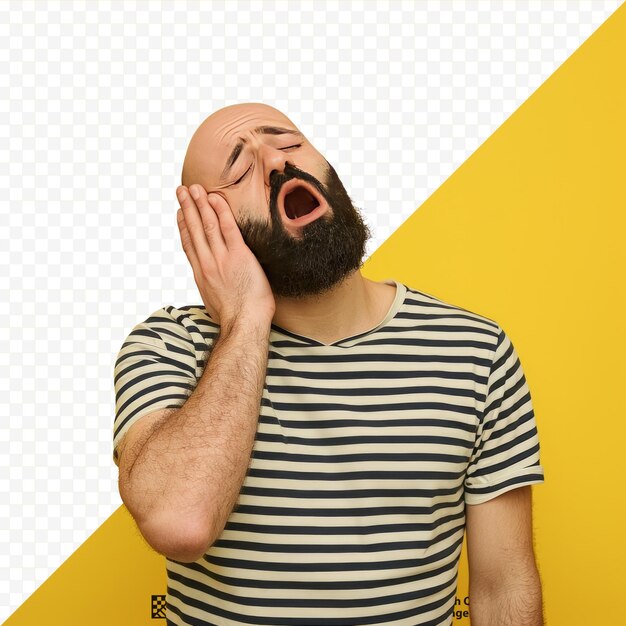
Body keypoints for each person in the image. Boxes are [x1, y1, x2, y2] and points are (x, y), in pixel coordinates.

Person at [113, 102, 545, 625]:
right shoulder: (169, 346)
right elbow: (180, 522)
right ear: (210, 227)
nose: (274, 162)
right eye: (239, 169)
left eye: (290, 143)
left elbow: (503, 591)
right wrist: (246, 316)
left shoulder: (477, 351)